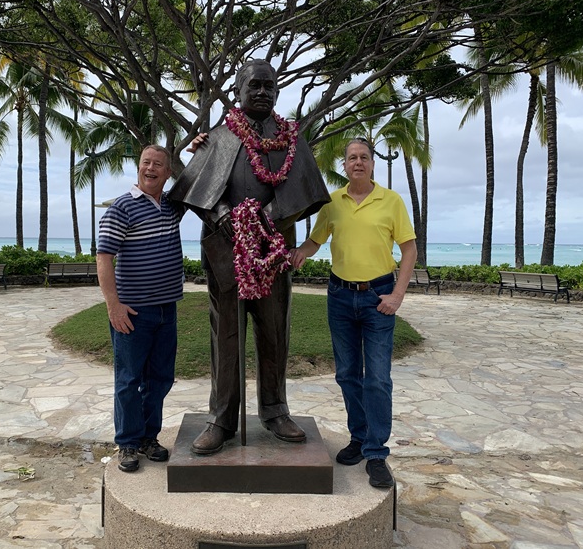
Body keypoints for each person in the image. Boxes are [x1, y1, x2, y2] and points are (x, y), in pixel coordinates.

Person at [170, 59, 330, 455]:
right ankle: (221, 418)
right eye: (253, 85)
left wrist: (264, 219)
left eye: (268, 86)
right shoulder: (218, 137)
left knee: (274, 331)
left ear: (277, 92)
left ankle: (275, 411)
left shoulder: (291, 138)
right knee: (225, 334)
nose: (261, 92)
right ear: (238, 90)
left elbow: (305, 192)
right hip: (226, 250)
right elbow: (194, 189)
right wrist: (223, 214)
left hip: (273, 249)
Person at [290, 137, 417, 489]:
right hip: (340, 297)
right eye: (352, 158)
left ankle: (376, 452)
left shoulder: (391, 201)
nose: (358, 162)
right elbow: (315, 241)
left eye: (363, 157)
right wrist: (299, 252)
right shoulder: (333, 202)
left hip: (379, 297)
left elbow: (409, 250)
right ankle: (359, 438)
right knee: (347, 374)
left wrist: (397, 295)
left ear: (372, 164)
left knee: (377, 378)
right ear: (344, 165)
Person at [96, 144, 184, 473]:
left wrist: (196, 148)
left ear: (168, 172)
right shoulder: (122, 208)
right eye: (146, 162)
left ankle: (149, 437)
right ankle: (128, 443)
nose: (151, 168)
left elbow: (196, 180)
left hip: (166, 310)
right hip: (133, 312)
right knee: (129, 380)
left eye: (158, 164)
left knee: (159, 379)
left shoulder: (172, 206)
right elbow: (104, 258)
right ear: (138, 167)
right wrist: (114, 306)